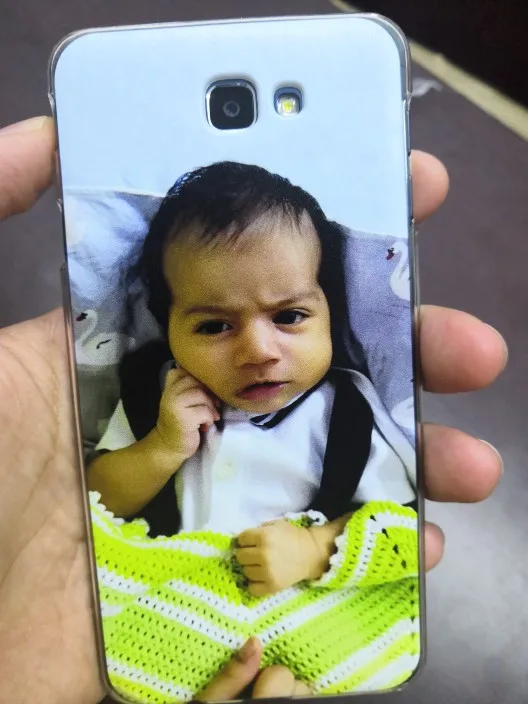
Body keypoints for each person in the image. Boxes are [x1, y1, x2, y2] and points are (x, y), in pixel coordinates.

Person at [0, 116, 506, 704]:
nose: (259, 351)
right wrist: (161, 448)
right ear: (168, 329)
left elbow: (397, 523)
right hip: (168, 614)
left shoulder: (346, 413)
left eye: (289, 317)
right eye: (214, 326)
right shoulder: (153, 397)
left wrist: (316, 550)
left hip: (299, 612)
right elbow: (98, 502)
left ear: (332, 313)